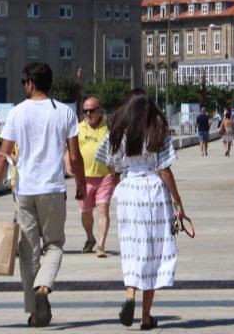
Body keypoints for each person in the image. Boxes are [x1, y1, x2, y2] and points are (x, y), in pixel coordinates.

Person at [0, 62, 86, 328]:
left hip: (25, 191)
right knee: (54, 245)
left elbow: (2, 157)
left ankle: (33, 312)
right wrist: (82, 186)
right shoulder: (65, 113)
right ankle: (43, 289)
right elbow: (75, 157)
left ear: (29, 82)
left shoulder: (17, 113)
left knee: (28, 253)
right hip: (53, 190)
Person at [94, 90, 186, 330]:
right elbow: (165, 169)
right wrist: (178, 202)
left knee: (132, 247)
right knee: (152, 252)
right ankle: (146, 317)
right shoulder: (156, 129)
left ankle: (129, 294)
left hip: (128, 191)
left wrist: (120, 184)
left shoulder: (117, 131)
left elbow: (110, 165)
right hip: (153, 192)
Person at [74, 96, 115, 258]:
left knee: (103, 209)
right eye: (85, 111)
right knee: (85, 212)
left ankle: (101, 245)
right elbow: (70, 151)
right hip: (83, 179)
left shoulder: (109, 129)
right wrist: (69, 167)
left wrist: (116, 175)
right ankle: (90, 238)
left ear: (100, 111)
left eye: (91, 110)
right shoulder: (78, 128)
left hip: (105, 176)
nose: (88, 114)